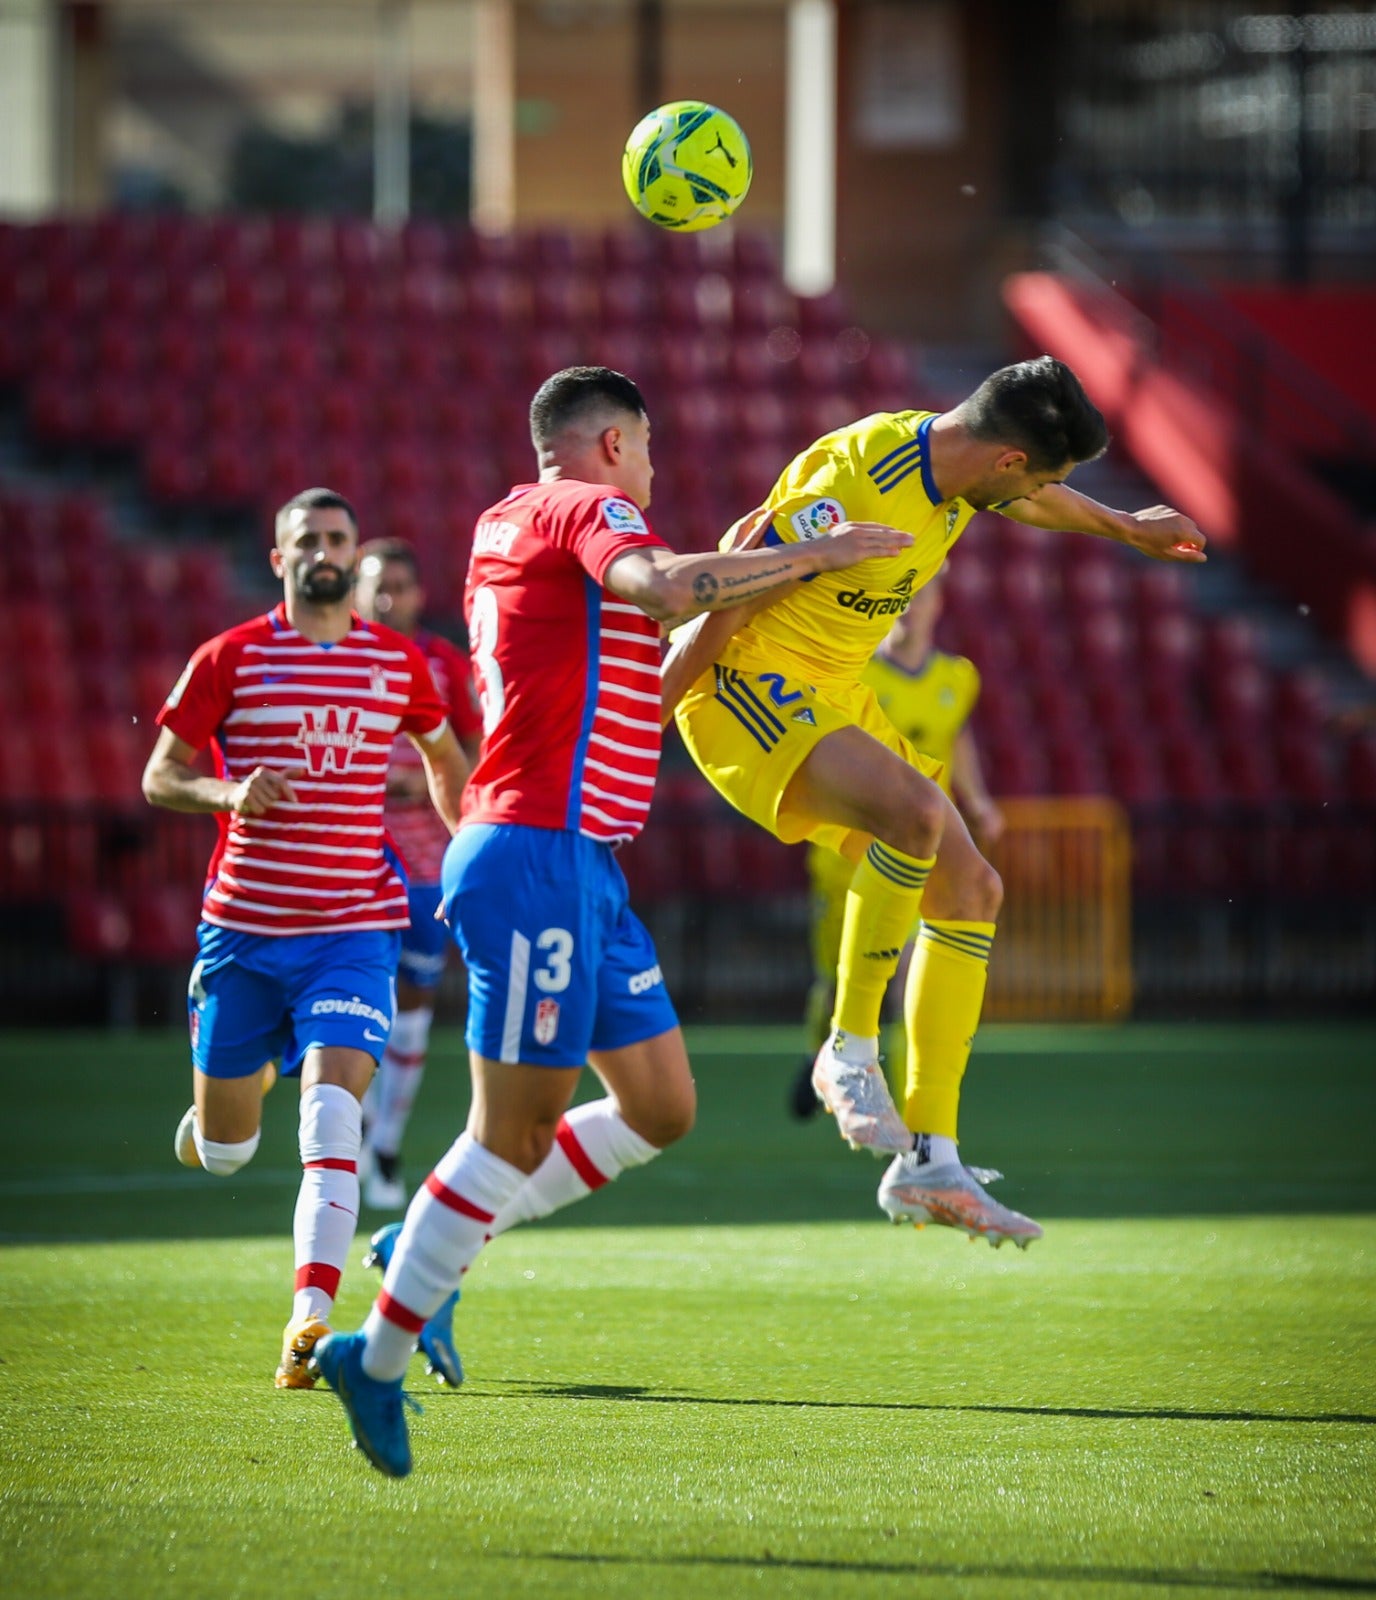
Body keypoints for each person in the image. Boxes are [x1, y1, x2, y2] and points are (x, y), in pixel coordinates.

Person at [312, 365, 914, 1476]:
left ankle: (430, 1247)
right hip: (535, 851)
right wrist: (815, 556)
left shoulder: (514, 528)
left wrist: (740, 594)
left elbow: (655, 654)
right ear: (607, 444)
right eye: (645, 451)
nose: (651, 473)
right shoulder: (587, 509)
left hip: (577, 862)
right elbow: (659, 583)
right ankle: (378, 1349)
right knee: (514, 1131)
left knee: (660, 1105)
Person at [664, 356, 1205, 1246]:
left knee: (972, 889)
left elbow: (1035, 501)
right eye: (1044, 473)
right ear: (1005, 460)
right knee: (916, 816)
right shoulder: (856, 479)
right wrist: (646, 711)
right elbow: (731, 582)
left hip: (835, 693)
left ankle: (930, 1163)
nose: (1044, 493)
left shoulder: (965, 474)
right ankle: (846, 1049)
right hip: (740, 685)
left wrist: (1125, 528)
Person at [141, 487, 470, 1389]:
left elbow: (447, 758)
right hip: (245, 933)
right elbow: (160, 775)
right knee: (228, 1151)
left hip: (355, 927)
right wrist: (226, 793)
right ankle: (214, 1112)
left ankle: (309, 1323)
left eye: (338, 538)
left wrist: (469, 842)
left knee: (331, 1117)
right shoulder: (232, 658)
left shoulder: (398, 663)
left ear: (352, 554)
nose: (324, 551)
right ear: (280, 558)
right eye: (307, 540)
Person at [790, 562, 1004, 1119]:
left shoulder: (957, 678)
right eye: (902, 595)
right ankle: (819, 1052)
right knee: (840, 977)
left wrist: (976, 801)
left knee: (910, 971)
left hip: (917, 851)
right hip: (846, 854)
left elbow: (955, 741)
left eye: (923, 593)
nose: (911, 605)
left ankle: (915, 1103)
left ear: (938, 603)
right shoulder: (856, 673)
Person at [354, 538, 483, 1211]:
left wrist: (432, 787)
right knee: (353, 988)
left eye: (398, 586)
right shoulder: (336, 659)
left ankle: (385, 1138)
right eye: (375, 586)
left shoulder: (442, 664)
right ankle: (355, 1131)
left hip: (427, 854)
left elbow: (473, 743)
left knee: (413, 1006)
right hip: (354, 851)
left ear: (417, 595)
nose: (385, 599)